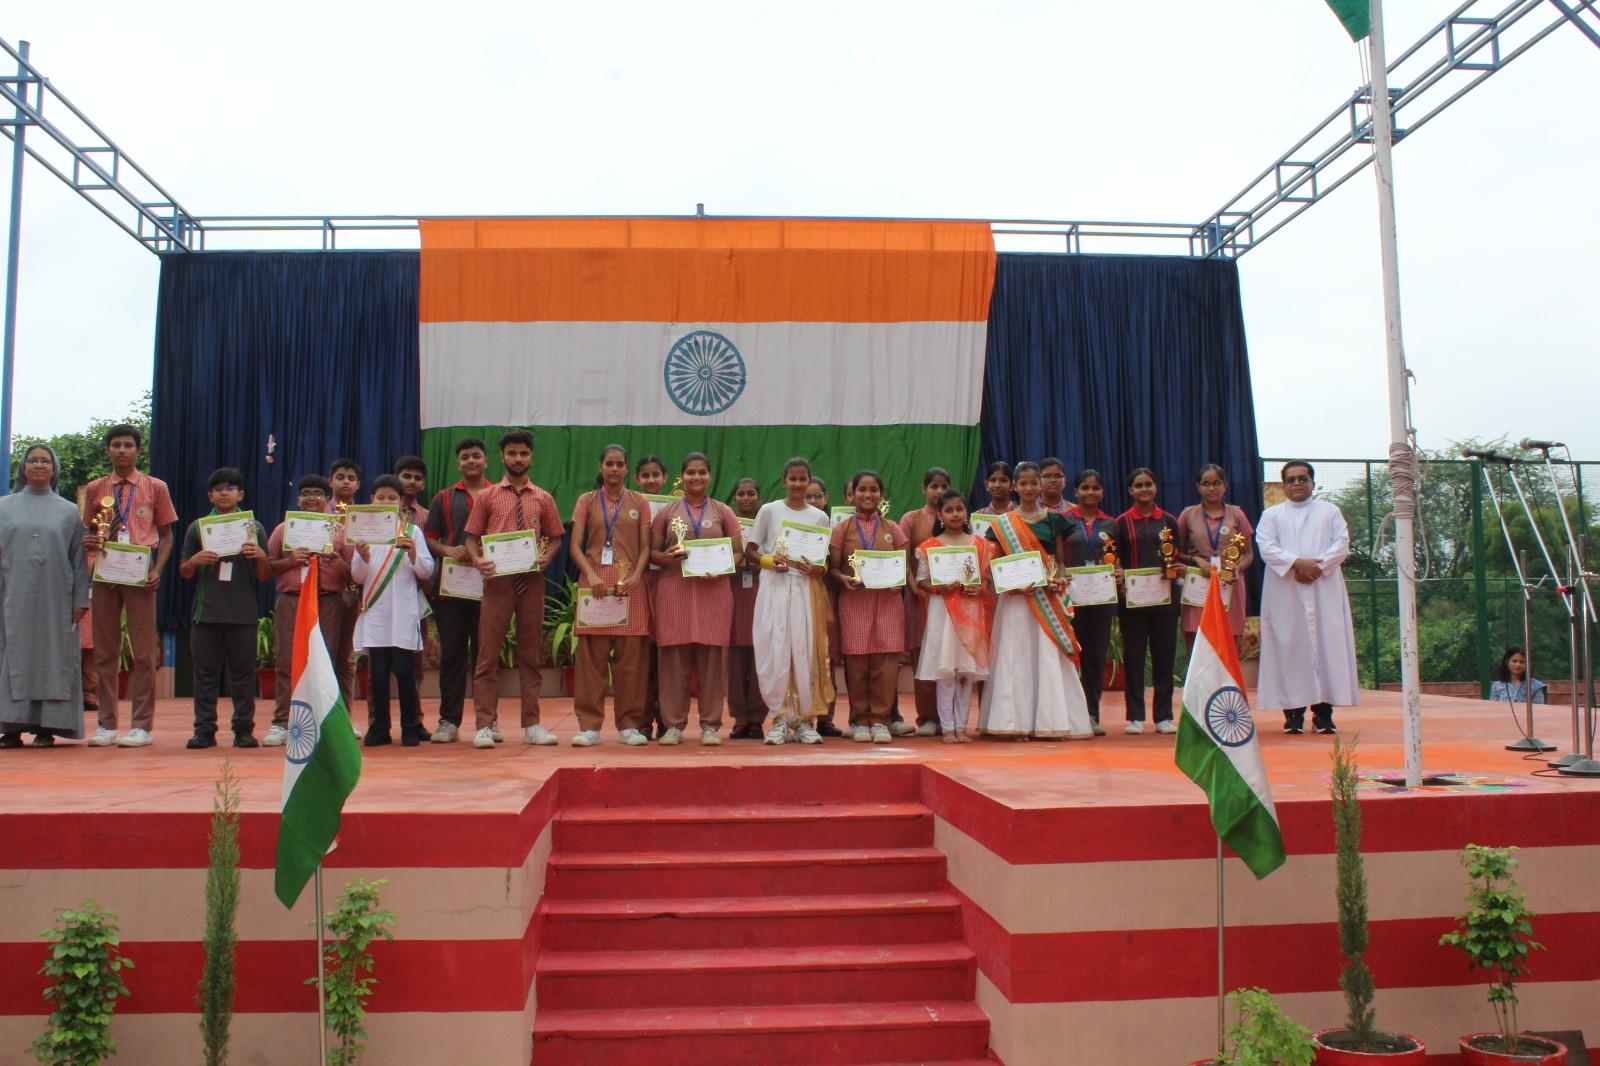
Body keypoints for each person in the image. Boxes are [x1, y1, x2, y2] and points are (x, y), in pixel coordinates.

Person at [465, 430, 565, 748]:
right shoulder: (487, 496)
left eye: (523, 453)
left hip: (532, 582)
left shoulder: (543, 498)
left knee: (530, 655)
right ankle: (485, 725)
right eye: (512, 453)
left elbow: (556, 538)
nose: (518, 458)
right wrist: (477, 559)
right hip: (498, 582)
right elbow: (470, 538)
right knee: (487, 655)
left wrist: (548, 556)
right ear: (502, 457)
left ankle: (532, 724)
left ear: (531, 456)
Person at [981, 462, 1093, 739]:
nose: (1029, 488)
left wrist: (1059, 580)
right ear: (1015, 486)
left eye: (1034, 483)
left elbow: (1060, 561)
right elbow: (996, 563)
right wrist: (1014, 586)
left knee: (1047, 654)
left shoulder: (1055, 520)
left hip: (1046, 597)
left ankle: (1050, 721)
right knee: (1016, 655)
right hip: (1016, 600)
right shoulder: (1002, 525)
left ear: (1040, 484)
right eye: (1023, 483)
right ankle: (1013, 723)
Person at [82, 424, 177, 748]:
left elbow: (167, 536)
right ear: (107, 450)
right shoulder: (96, 488)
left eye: (127, 445)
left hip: (139, 573)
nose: (121, 450)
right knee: (105, 650)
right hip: (105, 571)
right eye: (116, 445)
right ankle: (106, 725)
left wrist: (158, 570)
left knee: (144, 651)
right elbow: (89, 531)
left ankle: (141, 726)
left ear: (138, 450)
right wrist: (89, 543)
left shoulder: (155, 487)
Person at [1255, 460, 1359, 735]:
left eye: (1303, 478)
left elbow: (1341, 543)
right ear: (1284, 485)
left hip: (1323, 588)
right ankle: (1293, 714)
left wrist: (1317, 568)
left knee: (1326, 646)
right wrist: (1297, 564)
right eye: (1291, 479)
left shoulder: (1330, 512)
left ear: (1312, 483)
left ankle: (1323, 714)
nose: (1297, 483)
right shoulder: (1272, 515)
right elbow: (1266, 547)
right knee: (1289, 646)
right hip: (1285, 590)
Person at [0, 445, 90, 748]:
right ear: (23, 467)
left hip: (57, 599)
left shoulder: (69, 511)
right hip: (12, 596)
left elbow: (79, 560)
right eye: (33, 460)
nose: (39, 465)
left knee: (54, 657)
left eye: (45, 460)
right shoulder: (3, 507)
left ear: (54, 469)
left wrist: (80, 600)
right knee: (11, 656)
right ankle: (10, 727)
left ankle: (47, 727)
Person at [652, 452, 743, 746]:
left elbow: (739, 552)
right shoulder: (666, 513)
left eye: (702, 472)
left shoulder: (723, 512)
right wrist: (665, 557)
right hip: (674, 592)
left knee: (713, 662)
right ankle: (673, 726)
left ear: (709, 476)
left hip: (714, 593)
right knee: (673, 662)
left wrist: (724, 567)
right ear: (682, 476)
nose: (696, 477)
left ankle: (710, 726)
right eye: (690, 472)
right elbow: (652, 552)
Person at [177, 467, 269, 749]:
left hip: (243, 614)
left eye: (230, 488)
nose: (224, 493)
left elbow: (264, 576)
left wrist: (260, 555)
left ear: (240, 494)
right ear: (210, 496)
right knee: (205, 677)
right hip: (206, 613)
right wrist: (195, 561)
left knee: (243, 676)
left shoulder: (253, 528)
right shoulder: (198, 527)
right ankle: (204, 730)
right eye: (218, 489)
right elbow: (184, 572)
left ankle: (243, 730)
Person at [746, 457, 834, 745]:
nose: (797, 484)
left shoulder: (819, 517)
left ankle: (805, 722)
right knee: (776, 651)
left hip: (805, 590)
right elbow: (750, 551)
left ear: (809, 481)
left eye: (802, 479)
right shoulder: (769, 511)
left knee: (804, 652)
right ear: (784, 481)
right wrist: (770, 561)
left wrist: (817, 570)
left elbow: (823, 563)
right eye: (792, 479)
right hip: (775, 588)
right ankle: (780, 720)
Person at [568, 444, 651, 746]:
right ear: (600, 467)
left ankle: (629, 725)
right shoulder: (586, 501)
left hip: (629, 587)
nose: (614, 469)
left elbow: (645, 548)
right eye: (609, 464)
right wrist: (590, 576)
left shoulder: (640, 502)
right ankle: (589, 726)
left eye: (619, 464)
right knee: (592, 660)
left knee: (630, 662)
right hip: (595, 586)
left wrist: (637, 575)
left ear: (627, 468)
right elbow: (575, 546)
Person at [263, 475, 352, 746]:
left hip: (327, 600)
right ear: (298, 499)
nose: (311, 498)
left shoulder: (341, 531)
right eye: (306, 493)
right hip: (292, 599)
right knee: (287, 660)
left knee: (326, 661)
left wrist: (337, 563)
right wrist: (290, 560)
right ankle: (282, 722)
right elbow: (267, 567)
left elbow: (354, 574)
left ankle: (326, 723)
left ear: (327, 499)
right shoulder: (283, 529)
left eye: (317, 493)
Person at [351, 475, 435, 746]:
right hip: (376, 612)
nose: (386, 501)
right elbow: (357, 576)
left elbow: (426, 570)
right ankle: (379, 727)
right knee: (378, 673)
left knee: (405, 671)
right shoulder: (364, 533)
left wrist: (413, 553)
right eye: (380, 497)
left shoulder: (412, 532)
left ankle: (410, 727)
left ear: (401, 502)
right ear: (371, 500)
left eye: (392, 498)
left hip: (403, 611)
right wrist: (363, 557)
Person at [829, 471, 908, 743]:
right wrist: (843, 579)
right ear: (852, 494)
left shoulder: (893, 528)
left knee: (885, 664)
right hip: (855, 602)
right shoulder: (841, 530)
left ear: (881, 495)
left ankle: (881, 720)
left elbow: (904, 565)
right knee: (857, 664)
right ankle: (859, 720)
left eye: (874, 489)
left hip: (888, 604)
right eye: (862, 489)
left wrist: (899, 582)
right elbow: (834, 569)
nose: (868, 494)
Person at [423, 437, 489, 743]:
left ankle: (488, 722)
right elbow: (429, 538)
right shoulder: (444, 498)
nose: (471, 461)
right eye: (465, 457)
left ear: (486, 461)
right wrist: (449, 550)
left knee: (486, 655)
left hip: (489, 585)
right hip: (452, 588)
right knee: (452, 654)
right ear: (458, 463)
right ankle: (448, 721)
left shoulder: (498, 494)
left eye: (476, 456)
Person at [914, 490, 993, 744]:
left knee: (966, 673)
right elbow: (922, 581)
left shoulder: (980, 544)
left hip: (970, 613)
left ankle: (962, 727)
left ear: (966, 512)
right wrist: (939, 588)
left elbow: (985, 578)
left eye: (959, 509)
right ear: (939, 515)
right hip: (943, 614)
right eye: (949, 510)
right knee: (946, 673)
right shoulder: (930, 546)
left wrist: (979, 588)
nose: (955, 514)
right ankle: (948, 728)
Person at [1115, 467, 1185, 735]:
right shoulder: (1121, 522)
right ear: (1130, 490)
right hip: (1132, 602)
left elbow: (1176, 556)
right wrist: (1120, 573)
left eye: (1148, 484)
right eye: (1138, 485)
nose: (1144, 489)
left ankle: (1164, 716)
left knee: (1164, 658)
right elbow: (1114, 558)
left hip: (1165, 601)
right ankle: (1135, 717)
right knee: (1133, 658)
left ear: (1156, 487)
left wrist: (1175, 569)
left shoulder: (1169, 521)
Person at [1176, 464, 1255, 653]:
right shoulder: (1188, 515)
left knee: (1229, 645)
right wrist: (1196, 560)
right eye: (1206, 483)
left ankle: (1228, 675)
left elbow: (1249, 554)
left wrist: (1238, 567)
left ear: (1224, 486)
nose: (1211, 488)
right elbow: (1175, 552)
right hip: (1198, 583)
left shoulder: (1238, 514)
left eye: (1216, 483)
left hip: (1229, 583)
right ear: (1198, 487)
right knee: (1197, 642)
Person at [1063, 468, 1118, 736]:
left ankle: (1092, 714)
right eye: (1085, 487)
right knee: (1071, 655)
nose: (1090, 492)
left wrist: (1118, 571)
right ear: (1075, 491)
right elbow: (1056, 557)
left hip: (1100, 600)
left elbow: (1117, 559)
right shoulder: (1063, 521)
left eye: (1095, 488)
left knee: (1095, 657)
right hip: (1070, 599)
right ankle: (1069, 714)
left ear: (1102, 492)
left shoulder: (1111, 524)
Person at [898, 466, 952, 737]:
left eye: (944, 487)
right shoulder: (911, 519)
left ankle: (949, 718)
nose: (939, 492)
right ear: (924, 489)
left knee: (949, 655)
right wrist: (914, 588)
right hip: (918, 598)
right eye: (934, 486)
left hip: (951, 600)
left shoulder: (955, 516)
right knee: (922, 656)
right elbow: (903, 558)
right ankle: (928, 717)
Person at [726, 477, 769, 738]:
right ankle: (740, 718)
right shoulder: (727, 524)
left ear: (759, 498)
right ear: (734, 499)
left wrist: (760, 562)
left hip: (761, 592)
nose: (746, 498)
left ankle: (757, 718)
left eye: (751, 493)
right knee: (734, 662)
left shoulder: (768, 524)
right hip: (733, 593)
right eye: (741, 494)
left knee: (760, 659)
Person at [806, 475, 845, 736]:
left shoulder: (835, 529)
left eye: (817, 496)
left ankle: (825, 718)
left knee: (826, 658)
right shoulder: (791, 528)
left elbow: (837, 566)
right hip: (799, 596)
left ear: (826, 499)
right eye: (808, 496)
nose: (813, 501)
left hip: (828, 599)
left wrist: (826, 567)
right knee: (803, 657)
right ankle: (802, 717)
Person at [635, 454, 668, 739]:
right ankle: (643, 719)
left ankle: (668, 719)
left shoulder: (675, 508)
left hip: (669, 584)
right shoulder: (630, 506)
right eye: (645, 475)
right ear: (637, 479)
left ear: (665, 478)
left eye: (655, 474)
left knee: (666, 656)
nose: (651, 480)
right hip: (640, 582)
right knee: (643, 658)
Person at [328, 458, 363, 710]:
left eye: (351, 478)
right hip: (325, 594)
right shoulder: (320, 514)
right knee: (324, 656)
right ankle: (323, 717)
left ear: (358, 485)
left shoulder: (365, 517)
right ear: (330, 481)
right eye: (340, 477)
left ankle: (346, 717)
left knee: (347, 658)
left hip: (356, 592)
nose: (346, 482)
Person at [394, 455, 430, 529]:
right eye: (407, 476)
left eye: (418, 478)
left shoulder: (428, 517)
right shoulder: (382, 513)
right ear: (396, 479)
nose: (412, 481)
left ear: (423, 485)